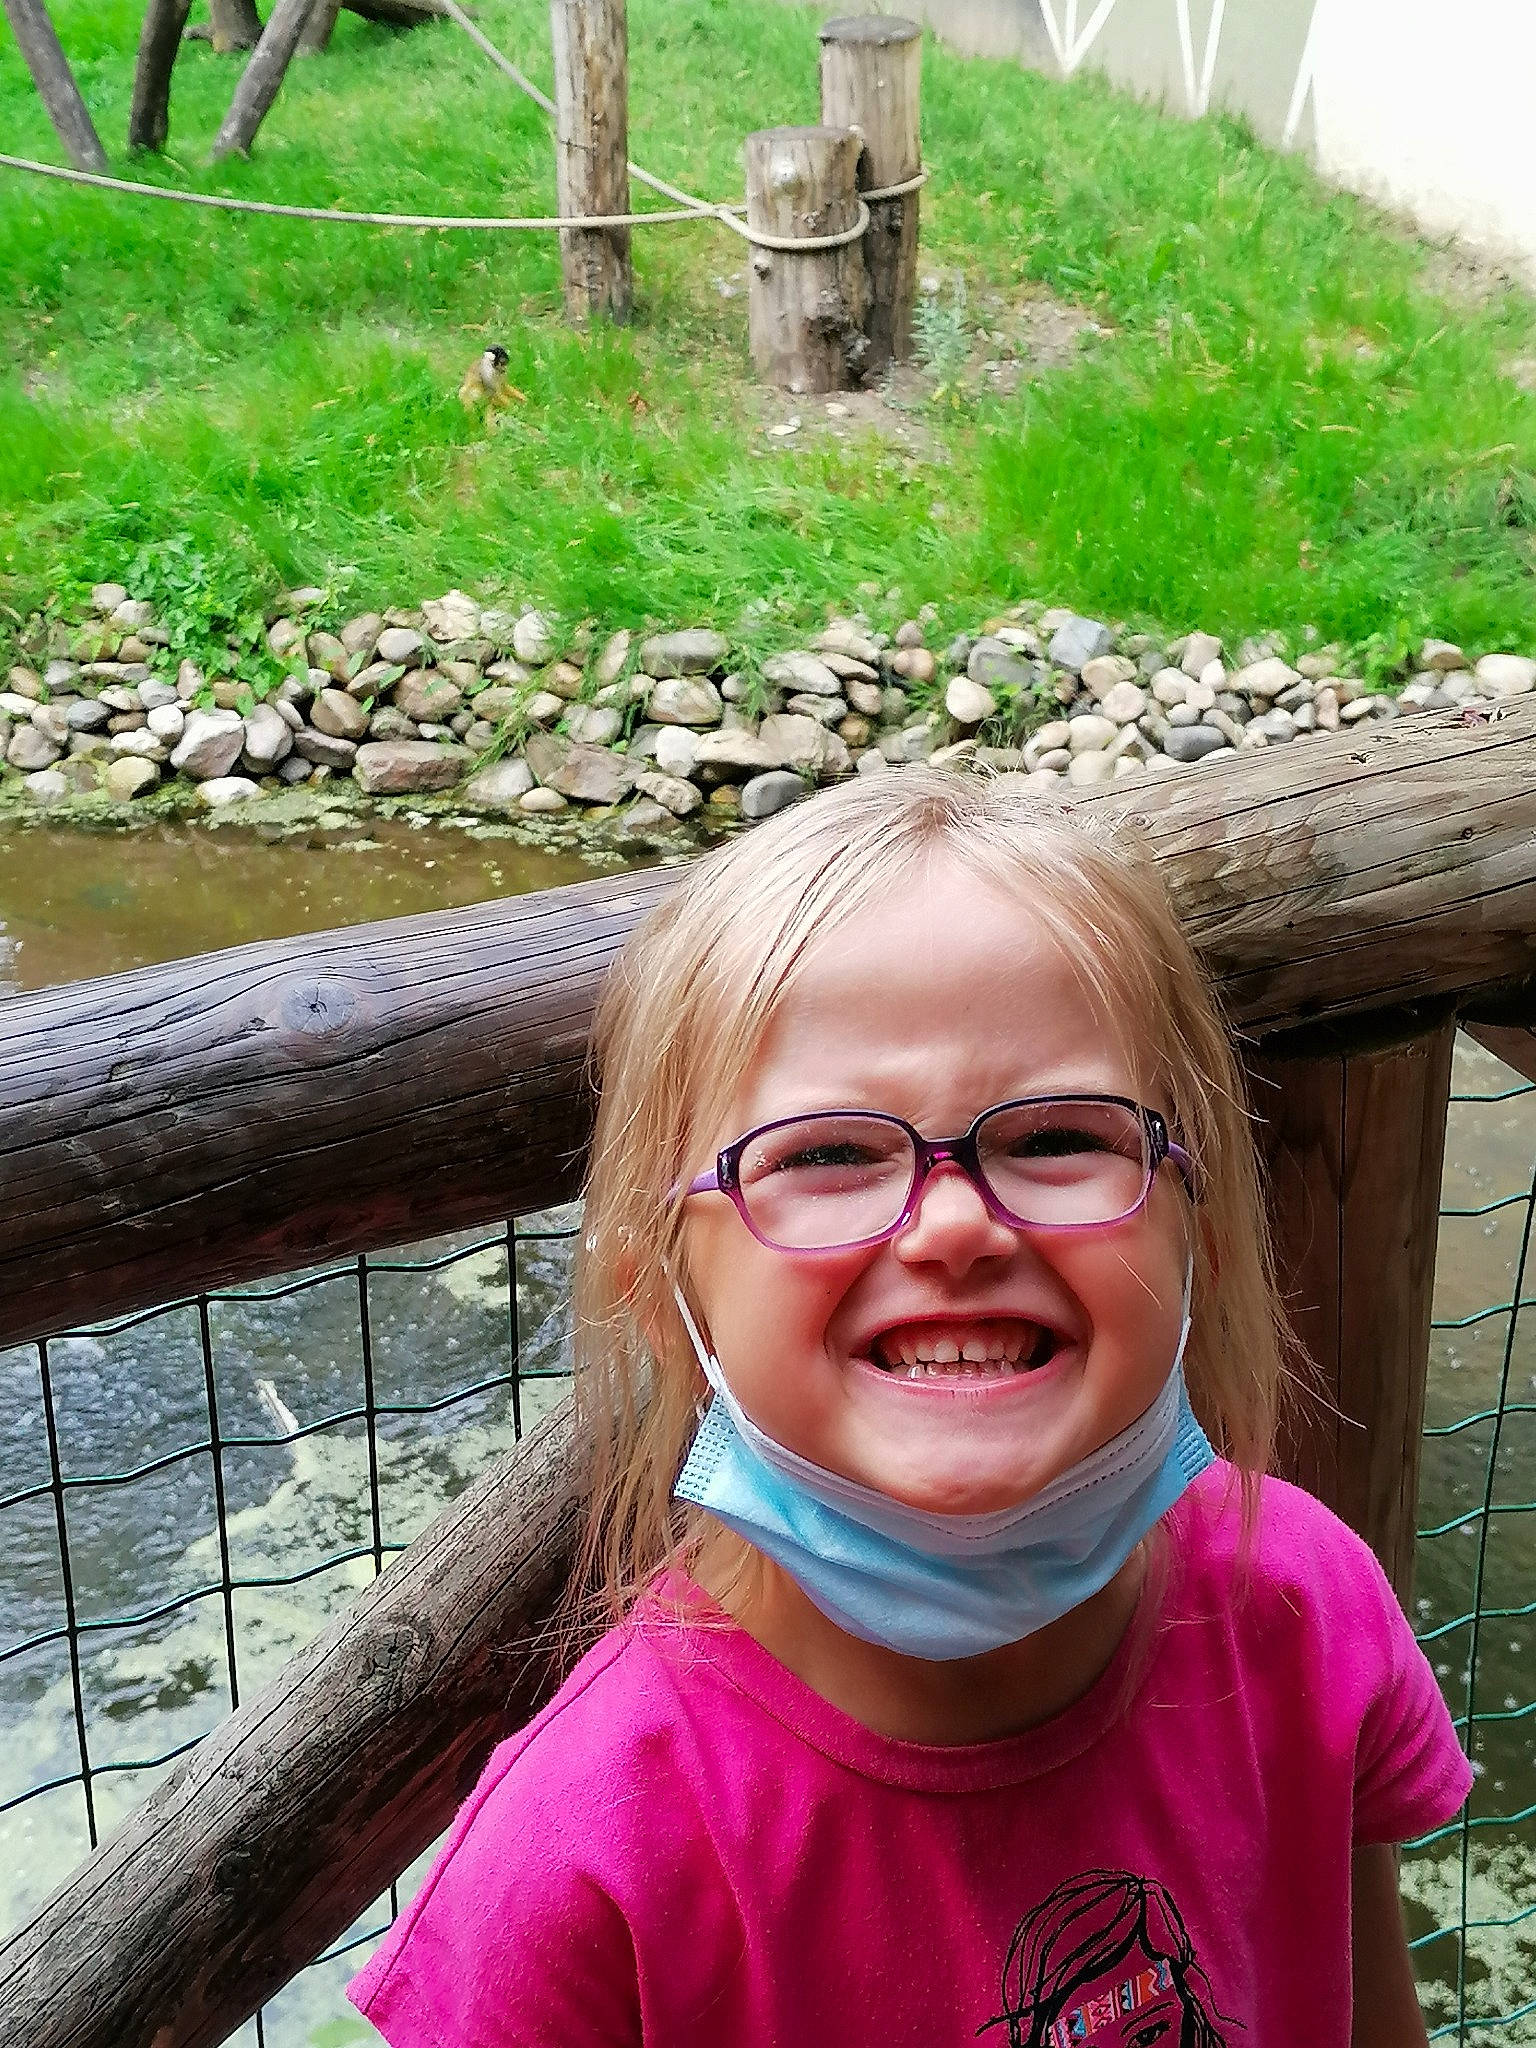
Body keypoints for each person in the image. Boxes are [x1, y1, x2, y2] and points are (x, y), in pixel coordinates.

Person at [349, 768, 1471, 2048]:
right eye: (826, 1154)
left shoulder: (1302, 1607)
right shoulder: (576, 1869)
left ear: (1197, 1235)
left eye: (1057, 1136)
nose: (951, 1223)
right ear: (664, 1297)